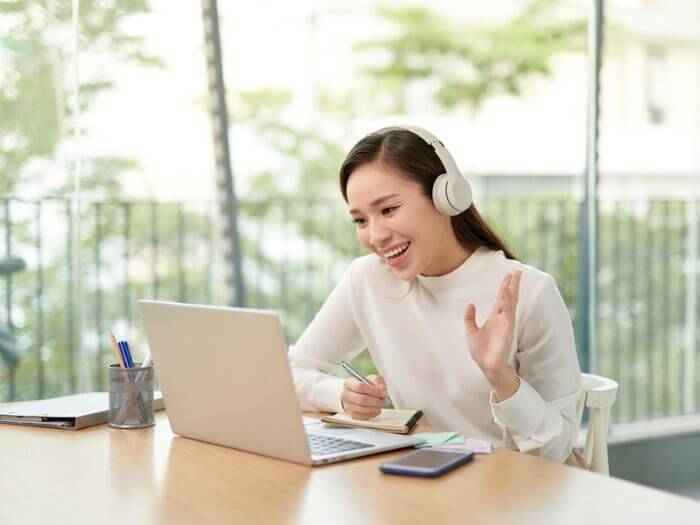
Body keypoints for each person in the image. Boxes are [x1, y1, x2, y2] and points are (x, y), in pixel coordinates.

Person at [288, 126, 582, 463]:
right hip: (427, 475)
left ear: (446, 196)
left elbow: (556, 453)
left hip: (515, 492)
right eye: (360, 220)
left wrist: (501, 376)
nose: (376, 235)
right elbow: (291, 373)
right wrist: (341, 394)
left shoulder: (530, 292)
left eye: (388, 210)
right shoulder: (367, 279)